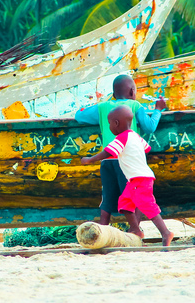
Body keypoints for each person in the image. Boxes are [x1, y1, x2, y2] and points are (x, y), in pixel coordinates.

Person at [74, 75, 166, 225]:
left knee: (107, 197)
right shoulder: (135, 105)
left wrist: (87, 106)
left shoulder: (102, 107)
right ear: (132, 91)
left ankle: (103, 229)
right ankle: (136, 229)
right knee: (134, 196)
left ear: (114, 93)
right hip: (128, 162)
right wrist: (158, 110)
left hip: (107, 161)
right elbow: (149, 127)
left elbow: (79, 116)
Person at [82, 105, 174, 246]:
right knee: (124, 203)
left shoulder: (122, 137)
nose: (109, 126)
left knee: (147, 204)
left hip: (140, 178)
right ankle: (135, 229)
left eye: (110, 123)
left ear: (116, 123)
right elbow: (147, 148)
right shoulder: (135, 136)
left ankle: (165, 232)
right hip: (135, 179)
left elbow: (108, 152)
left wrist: (90, 159)